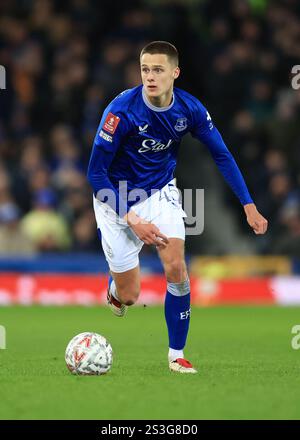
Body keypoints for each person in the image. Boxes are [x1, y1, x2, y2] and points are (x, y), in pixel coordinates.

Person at [87, 41, 268, 374]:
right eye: (145, 69)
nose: (150, 77)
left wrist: (249, 205)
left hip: (160, 192)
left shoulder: (190, 110)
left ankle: (176, 354)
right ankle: (116, 289)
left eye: (158, 70)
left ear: (175, 73)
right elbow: (95, 174)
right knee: (129, 296)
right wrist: (131, 216)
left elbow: (222, 155)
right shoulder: (120, 111)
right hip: (115, 196)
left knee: (176, 267)